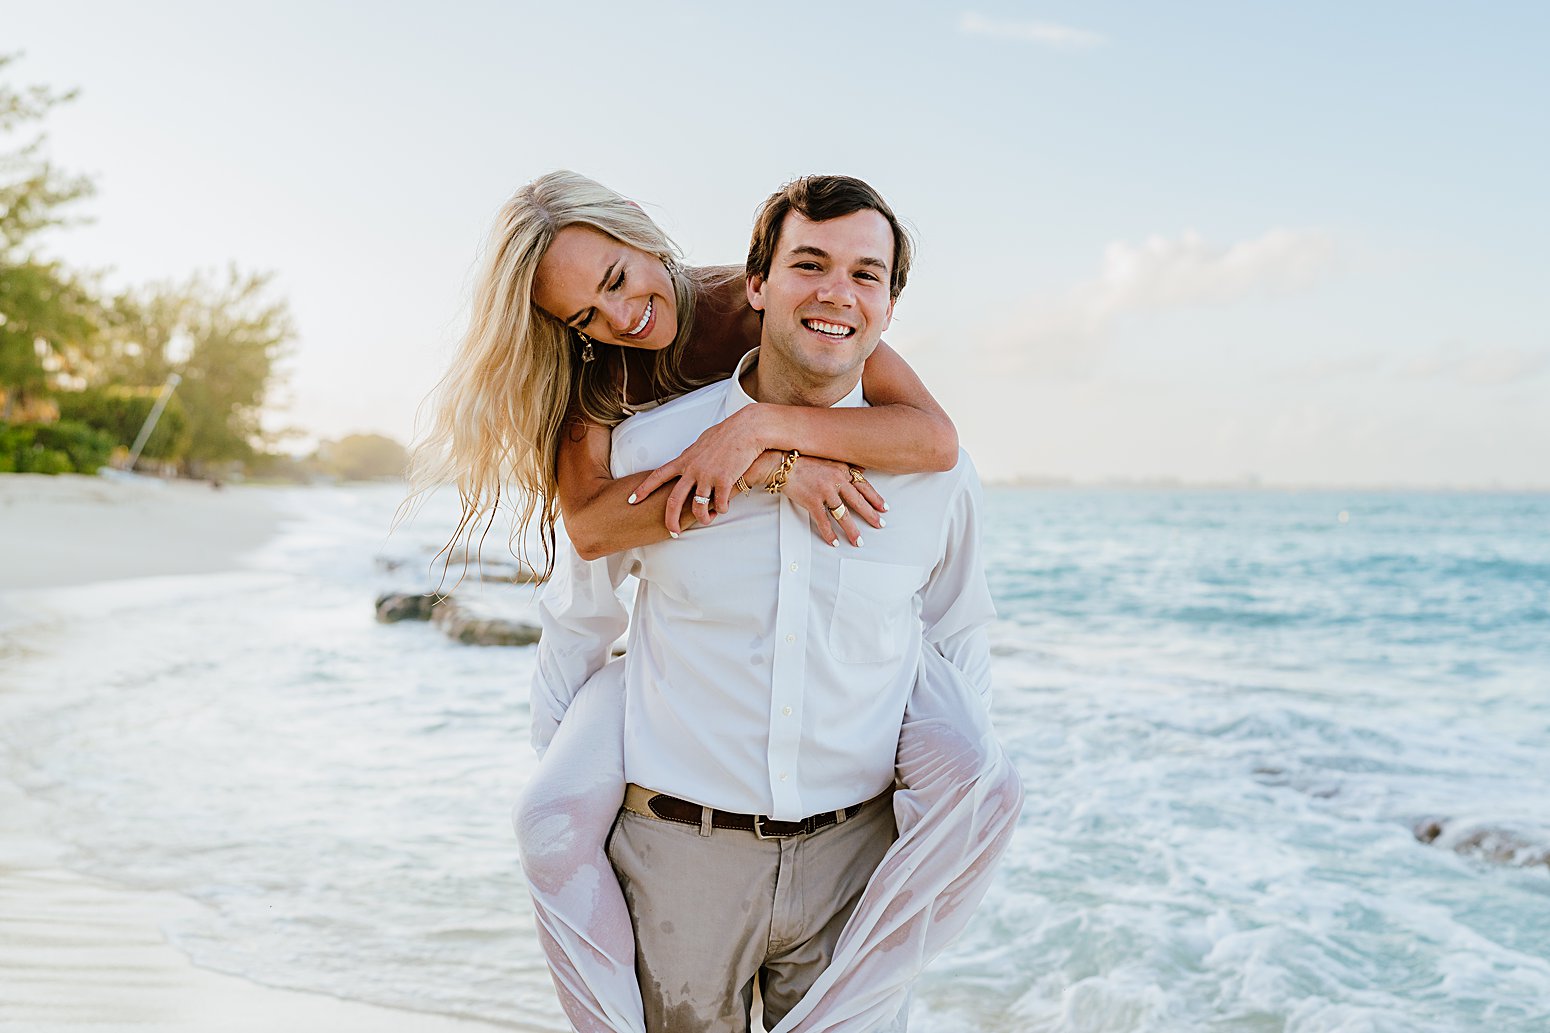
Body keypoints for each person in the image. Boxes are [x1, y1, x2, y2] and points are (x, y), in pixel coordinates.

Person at [409, 171, 1021, 1032]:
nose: (621, 317)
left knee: (984, 779)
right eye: (586, 314)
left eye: (620, 280)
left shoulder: (772, 297)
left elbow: (936, 448)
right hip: (682, 832)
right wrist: (765, 465)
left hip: (848, 826)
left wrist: (758, 429)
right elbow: (585, 549)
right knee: (548, 816)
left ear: (646, 238)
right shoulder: (601, 393)